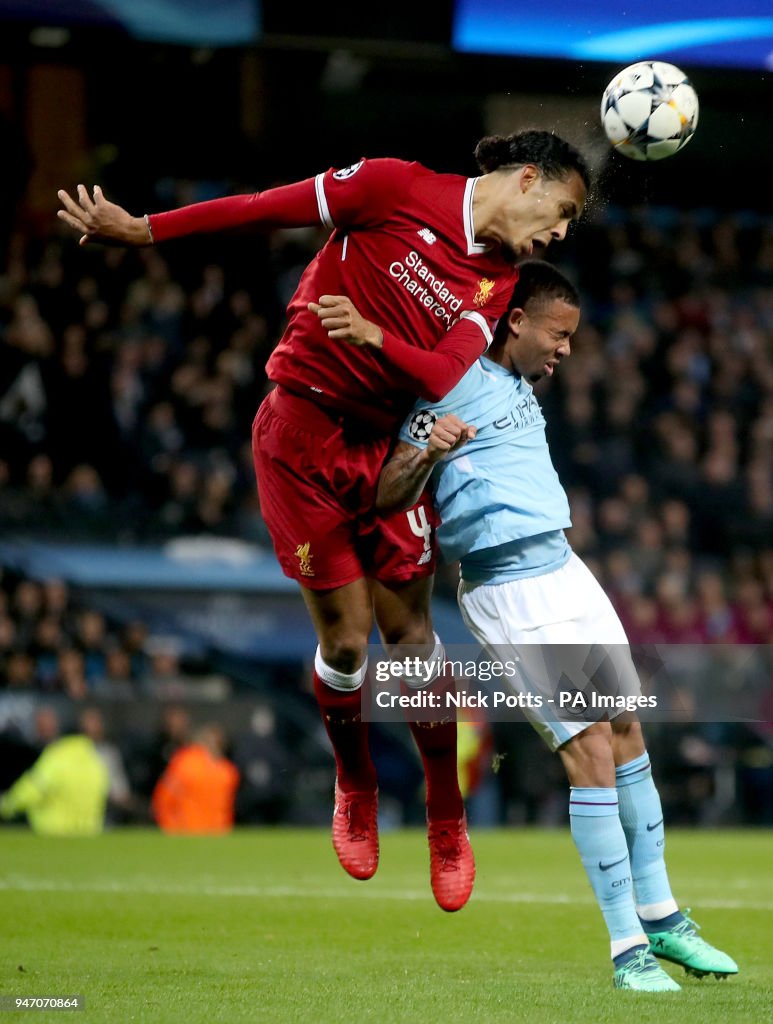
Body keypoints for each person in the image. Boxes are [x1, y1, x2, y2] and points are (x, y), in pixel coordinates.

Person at [57, 131, 590, 910]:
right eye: (563, 211)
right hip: (300, 434)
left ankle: (446, 816)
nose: (561, 233)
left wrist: (375, 336)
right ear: (526, 178)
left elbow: (443, 372)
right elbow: (262, 208)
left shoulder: (497, 278)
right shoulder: (390, 187)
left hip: (387, 446)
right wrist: (145, 230)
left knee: (410, 635)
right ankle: (355, 783)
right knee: (343, 641)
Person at [377, 261, 738, 989]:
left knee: (627, 732)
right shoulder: (445, 383)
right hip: (509, 590)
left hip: (565, 570)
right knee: (590, 753)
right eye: (558, 332)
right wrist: (428, 450)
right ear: (515, 319)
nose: (566, 349)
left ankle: (664, 920)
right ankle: (625, 948)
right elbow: (388, 489)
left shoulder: (516, 384)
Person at [0, 706, 109, 836]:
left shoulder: (56, 756)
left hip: (53, 833)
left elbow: (33, 788)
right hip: (89, 834)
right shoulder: (94, 759)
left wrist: (6, 805)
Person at [151, 722, 240, 834]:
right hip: (190, 831)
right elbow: (163, 801)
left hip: (216, 832)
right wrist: (172, 828)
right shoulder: (185, 764)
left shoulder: (227, 771)